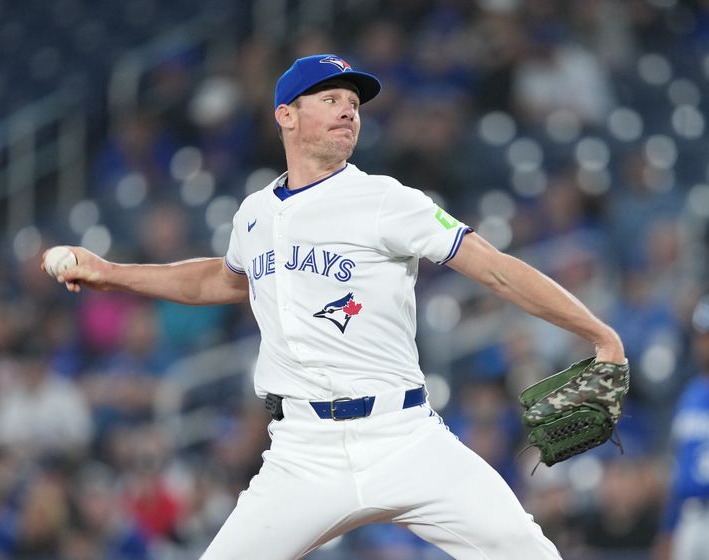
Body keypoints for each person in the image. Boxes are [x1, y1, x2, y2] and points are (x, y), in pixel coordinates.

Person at [44, 54, 626, 559]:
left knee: (526, 552)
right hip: (303, 451)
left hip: (404, 436)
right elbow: (219, 283)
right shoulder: (253, 214)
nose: (349, 110)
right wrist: (112, 273)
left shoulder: (384, 200)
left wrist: (598, 333)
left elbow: (496, 269)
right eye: (330, 99)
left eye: (354, 102)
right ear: (286, 116)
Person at [655, 296, 709, 560]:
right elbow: (678, 471)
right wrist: (669, 529)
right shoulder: (691, 394)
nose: (705, 345)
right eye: (702, 337)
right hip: (690, 518)